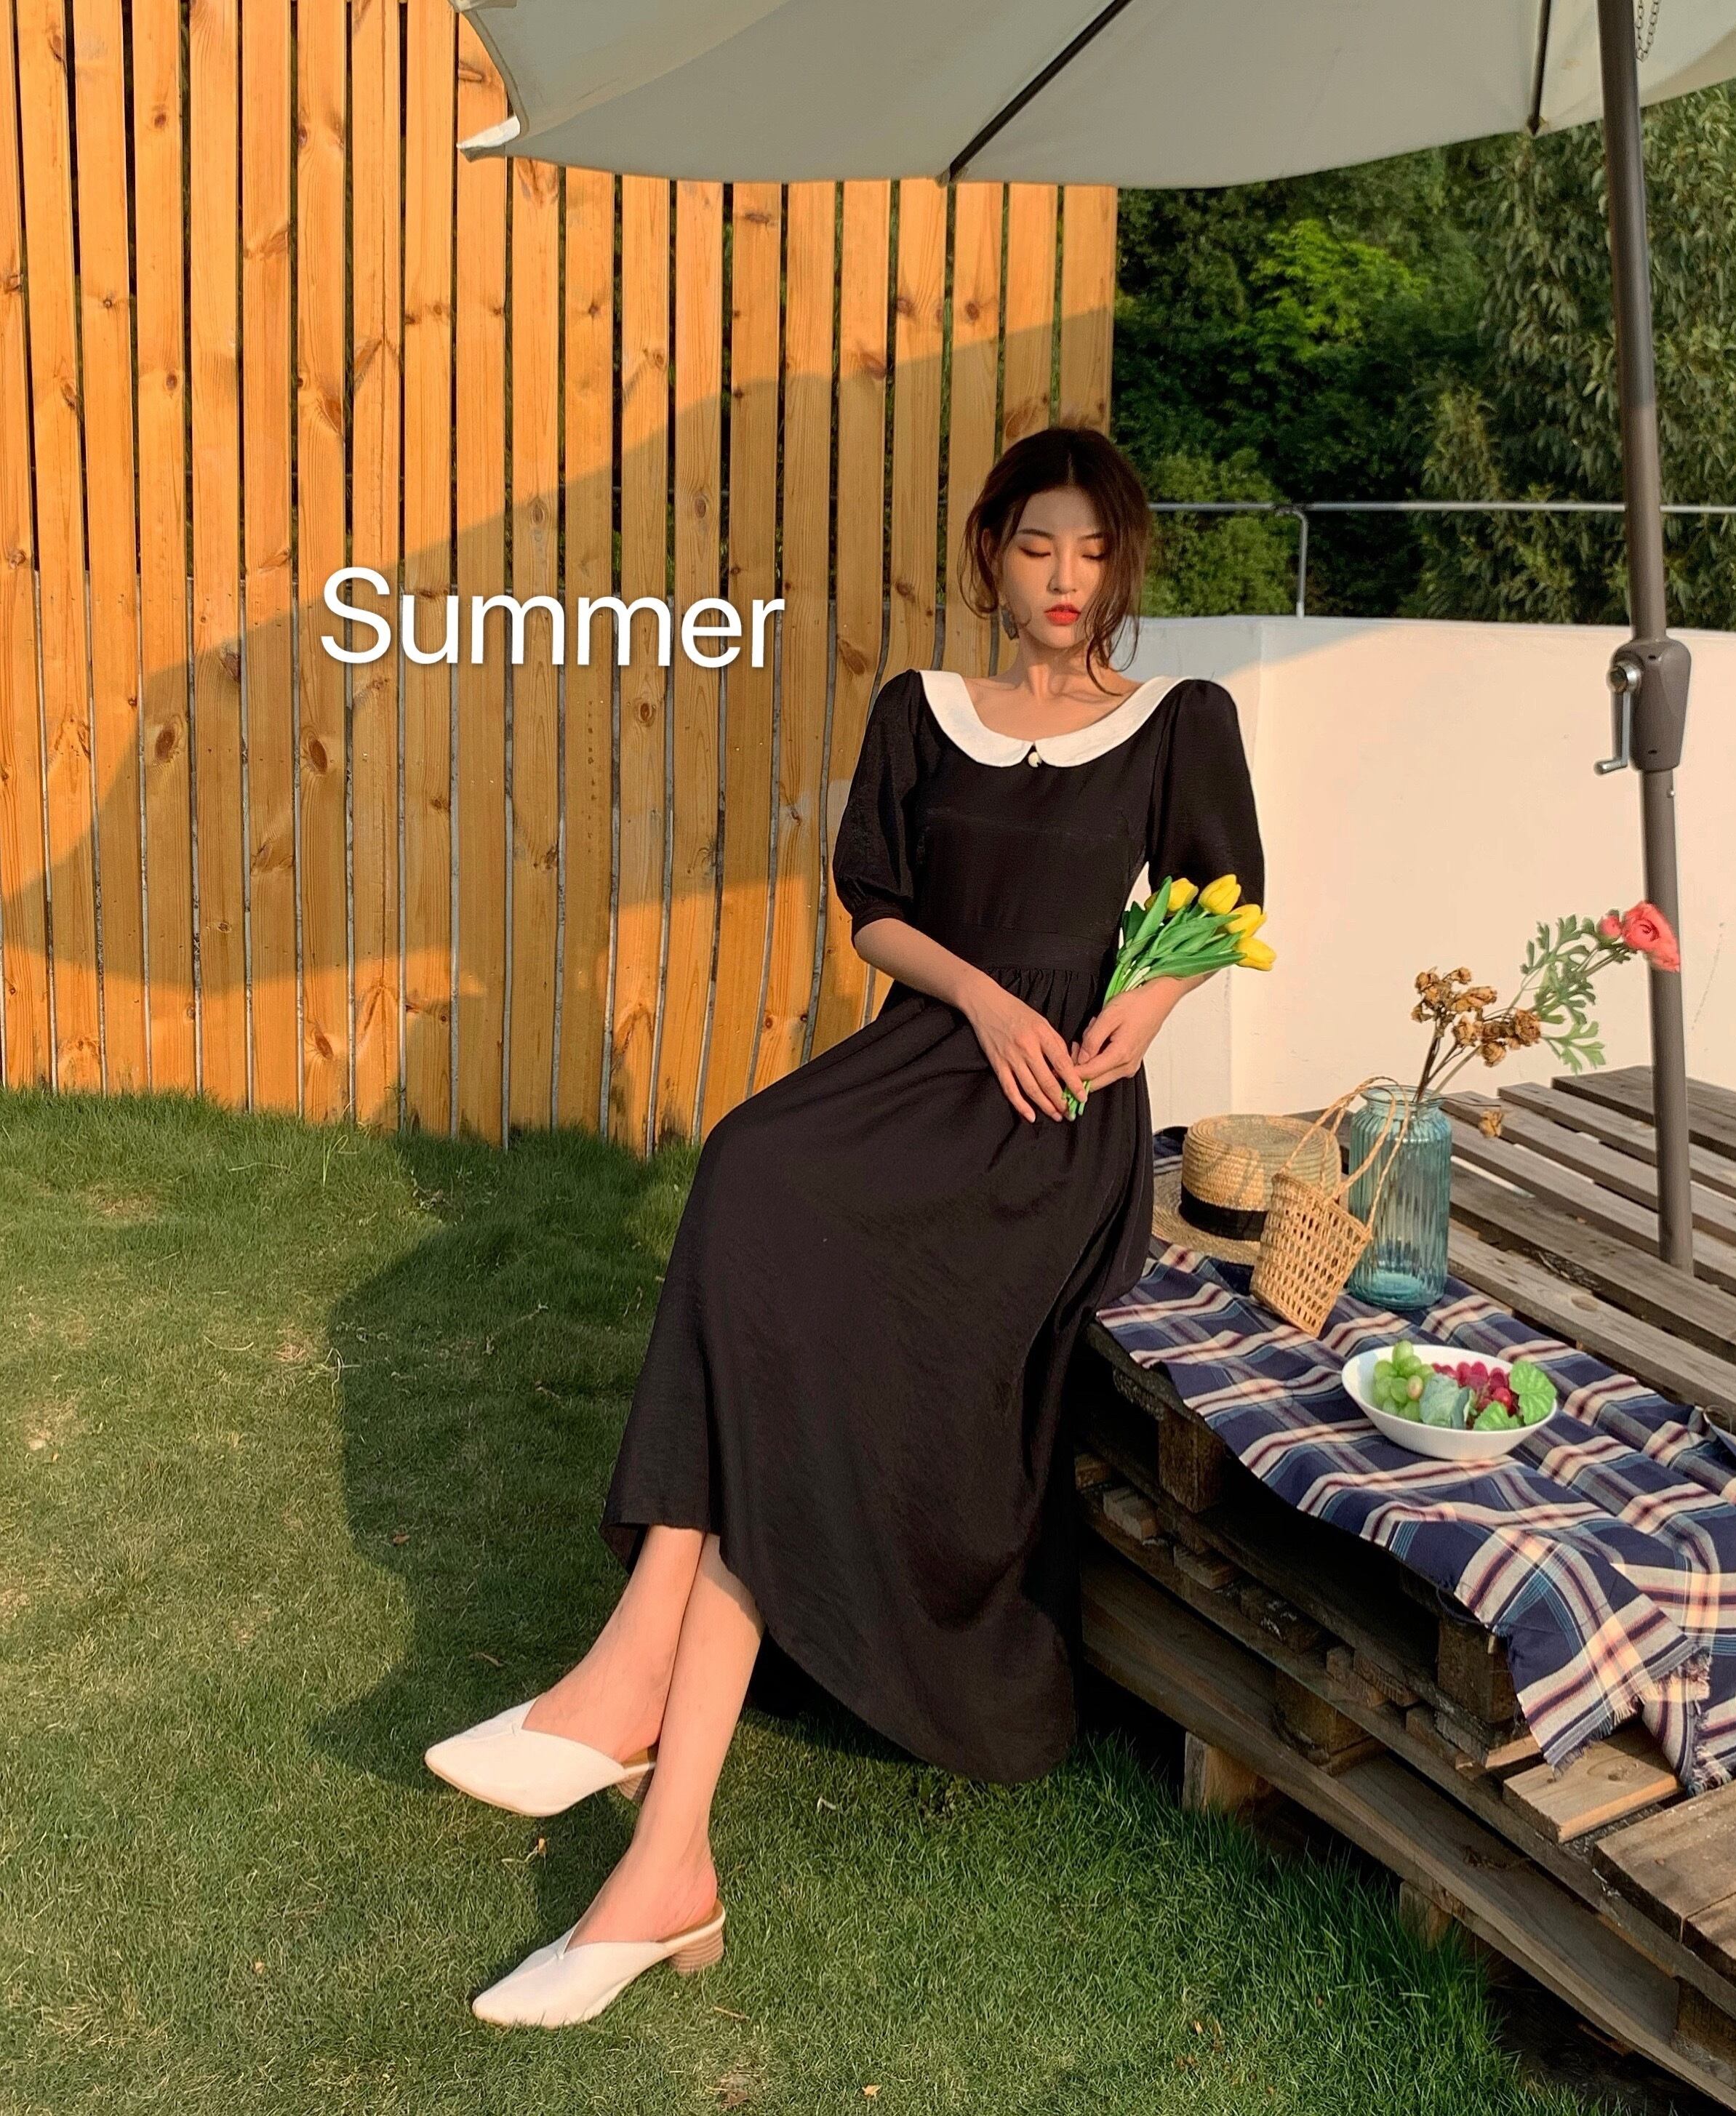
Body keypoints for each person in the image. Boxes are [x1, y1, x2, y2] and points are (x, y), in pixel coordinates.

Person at [423, 425, 1265, 2027]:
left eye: (1094, 549)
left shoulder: (1177, 721)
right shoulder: (920, 711)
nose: (1066, 578)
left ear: (1124, 562)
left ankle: (635, 1712)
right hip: (925, 1062)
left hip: (1051, 1126)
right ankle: (662, 1842)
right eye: (1037, 545)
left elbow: (1225, 906)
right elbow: (874, 903)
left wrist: (1138, 1013)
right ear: (991, 552)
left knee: (774, 1232)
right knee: (754, 1170)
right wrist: (982, 995)